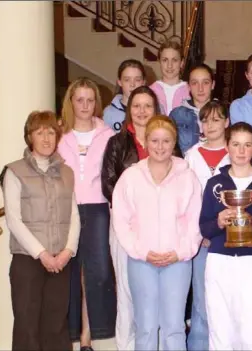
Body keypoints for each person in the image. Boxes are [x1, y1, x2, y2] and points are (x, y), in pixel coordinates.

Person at [111, 115, 203, 351]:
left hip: (177, 262)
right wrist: (140, 251)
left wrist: (180, 252)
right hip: (142, 261)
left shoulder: (188, 177)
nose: (160, 147)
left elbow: (195, 222)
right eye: (154, 141)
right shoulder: (130, 177)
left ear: (174, 143)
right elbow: (121, 220)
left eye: (166, 141)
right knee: (145, 327)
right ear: (146, 142)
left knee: (174, 327)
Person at [101, 86, 181, 350]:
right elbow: (108, 184)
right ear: (128, 109)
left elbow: (177, 185)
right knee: (127, 294)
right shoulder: (117, 142)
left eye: (148, 106)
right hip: (128, 228)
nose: (142, 111)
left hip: (164, 231)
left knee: (160, 302)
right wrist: (137, 212)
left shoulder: (168, 140)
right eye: (137, 106)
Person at [201, 122, 252, 350]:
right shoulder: (215, 184)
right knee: (220, 327)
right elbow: (204, 228)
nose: (241, 151)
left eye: (247, 145)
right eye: (236, 144)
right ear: (227, 146)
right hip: (219, 260)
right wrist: (218, 221)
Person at [1, 111, 80, 351]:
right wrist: (42, 254)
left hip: (61, 261)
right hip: (28, 260)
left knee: (56, 326)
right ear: (29, 137)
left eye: (51, 132)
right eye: (39, 132)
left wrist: (68, 251)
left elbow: (74, 215)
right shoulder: (14, 171)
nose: (46, 138)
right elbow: (13, 219)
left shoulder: (67, 173)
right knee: (27, 326)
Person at [57, 77, 116, 350]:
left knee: (99, 272)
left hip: (98, 208)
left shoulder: (109, 136)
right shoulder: (59, 136)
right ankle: (74, 333)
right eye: (79, 99)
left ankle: (90, 336)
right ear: (71, 102)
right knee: (72, 272)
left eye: (90, 100)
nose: (84, 105)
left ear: (97, 103)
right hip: (66, 209)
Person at [184, 100, 230, 351]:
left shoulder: (235, 153)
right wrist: (199, 232)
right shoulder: (190, 156)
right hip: (201, 241)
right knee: (201, 306)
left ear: (226, 122)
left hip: (230, 241)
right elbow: (185, 200)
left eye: (216, 119)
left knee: (225, 304)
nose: (210, 125)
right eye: (206, 119)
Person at [170, 63, 216, 153]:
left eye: (205, 82)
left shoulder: (223, 113)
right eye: (195, 83)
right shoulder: (176, 115)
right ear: (188, 86)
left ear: (213, 85)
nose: (200, 89)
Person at [103, 59, 146, 132]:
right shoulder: (109, 113)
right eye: (127, 80)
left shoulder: (153, 109)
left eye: (137, 80)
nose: (132, 84)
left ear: (143, 82)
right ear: (119, 82)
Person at [150, 41, 190, 115]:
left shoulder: (190, 90)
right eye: (165, 60)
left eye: (174, 60)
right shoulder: (151, 91)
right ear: (159, 62)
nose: (169, 66)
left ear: (181, 63)